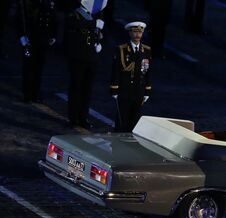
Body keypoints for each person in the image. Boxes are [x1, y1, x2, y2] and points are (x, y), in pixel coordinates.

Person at [64, 0, 107, 128]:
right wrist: (93, 23)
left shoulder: (95, 16)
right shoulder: (75, 14)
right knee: (76, 89)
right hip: (78, 58)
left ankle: (83, 118)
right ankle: (73, 119)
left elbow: (100, 34)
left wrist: (100, 41)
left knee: (87, 91)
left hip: (91, 58)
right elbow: (73, 25)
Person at [110, 21, 152, 132]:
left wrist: (147, 90)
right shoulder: (122, 49)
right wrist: (114, 89)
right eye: (135, 32)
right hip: (125, 90)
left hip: (139, 90)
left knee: (135, 121)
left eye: (140, 32)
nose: (138, 35)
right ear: (130, 33)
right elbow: (116, 70)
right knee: (122, 121)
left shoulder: (146, 50)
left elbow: (147, 72)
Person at [16, 0, 57, 103]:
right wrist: (21, 35)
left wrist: (53, 34)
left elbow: (52, 17)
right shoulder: (26, 2)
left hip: (43, 37)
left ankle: (35, 93)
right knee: (29, 66)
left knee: (39, 67)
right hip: (30, 36)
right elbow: (21, 18)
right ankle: (27, 94)